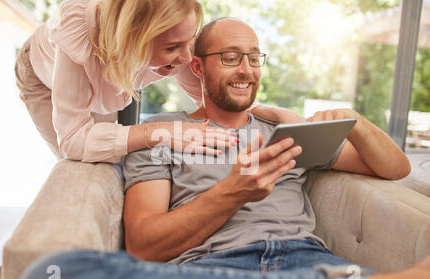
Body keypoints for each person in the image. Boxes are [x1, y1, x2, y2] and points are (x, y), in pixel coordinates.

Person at [14, 19, 430, 279]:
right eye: (230, 57)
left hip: (308, 260)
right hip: (212, 275)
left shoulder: (282, 130)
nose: (246, 70)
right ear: (196, 66)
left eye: (253, 57)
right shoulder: (162, 133)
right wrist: (233, 192)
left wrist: (355, 120)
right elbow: (144, 247)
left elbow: (396, 168)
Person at [14, 0, 287, 173]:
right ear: (133, 40)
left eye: (189, 41)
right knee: (82, 166)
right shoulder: (78, 32)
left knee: (115, 161)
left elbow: (219, 105)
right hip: (42, 78)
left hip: (112, 72)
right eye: (171, 48)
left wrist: (280, 117)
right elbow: (73, 141)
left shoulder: (179, 40)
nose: (186, 58)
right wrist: (157, 131)